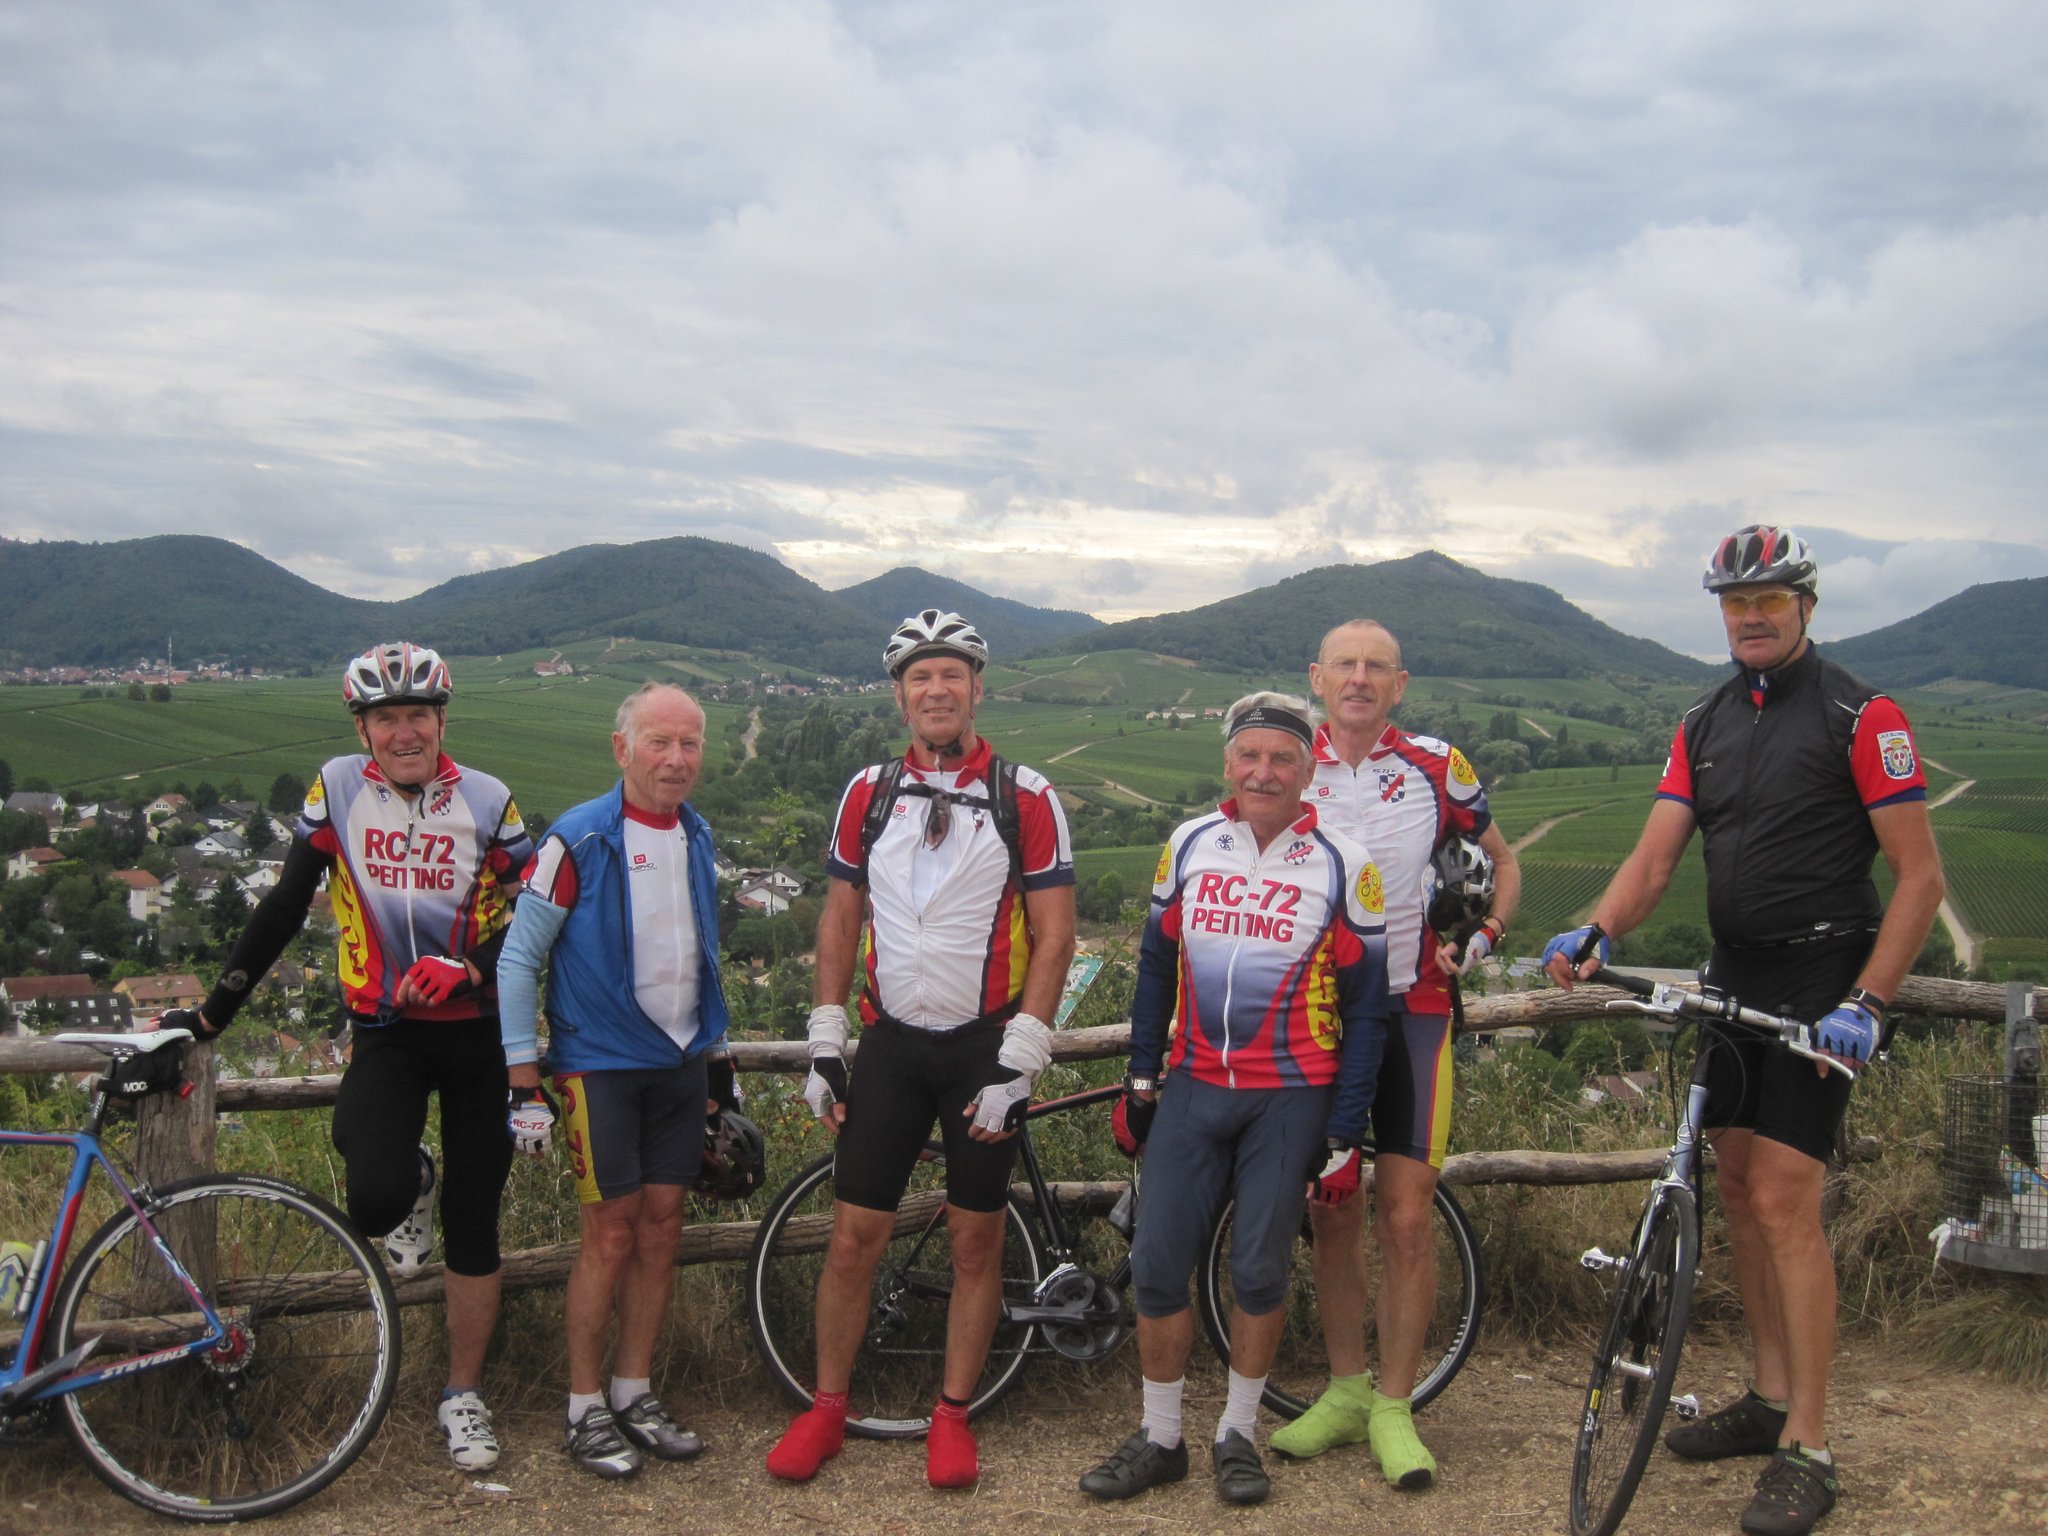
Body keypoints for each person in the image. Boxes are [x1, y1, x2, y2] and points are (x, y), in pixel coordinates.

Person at [1543, 526, 1943, 1536]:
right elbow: (1654, 862)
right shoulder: (1704, 721)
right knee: (1732, 1186)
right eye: (1734, 602)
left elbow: (1920, 880)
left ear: (1804, 605)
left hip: (1823, 981)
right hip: (1733, 973)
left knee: (1781, 1198)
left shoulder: (1862, 716)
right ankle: (1767, 1398)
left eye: (1768, 599)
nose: (1751, 616)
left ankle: (1809, 1445)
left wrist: (1867, 1002)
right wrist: (1596, 927)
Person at [160, 642, 532, 1472]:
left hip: (478, 1034)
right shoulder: (335, 789)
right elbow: (287, 902)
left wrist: (470, 966)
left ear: (442, 720)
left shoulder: (488, 799)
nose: (405, 732)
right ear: (363, 729)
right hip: (387, 1030)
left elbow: (538, 914)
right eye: (386, 718)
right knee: (374, 1195)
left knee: (475, 1224)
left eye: (419, 714)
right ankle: (414, 1180)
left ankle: (463, 1395)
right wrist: (213, 1013)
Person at [765, 609, 1076, 1491]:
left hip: (984, 1048)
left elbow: (1056, 936)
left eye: (952, 675)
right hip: (892, 1046)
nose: (936, 690)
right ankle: (827, 1408)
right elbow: (839, 917)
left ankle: (952, 1416)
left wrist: (1021, 1058)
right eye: (919, 678)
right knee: (853, 1238)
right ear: (900, 697)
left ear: (978, 689)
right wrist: (826, 1039)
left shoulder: (1026, 796)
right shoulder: (868, 793)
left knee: (976, 1243)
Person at [1079, 692, 1390, 1509]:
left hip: (1290, 1094)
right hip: (1193, 1085)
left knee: (1257, 1268)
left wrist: (1347, 1130)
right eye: (1249, 755)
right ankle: (1161, 1439)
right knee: (1156, 1266)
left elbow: (1368, 1011)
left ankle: (1237, 1434)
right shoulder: (1188, 844)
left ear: (1308, 771)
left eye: (1282, 758)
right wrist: (1140, 1079)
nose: (1263, 772)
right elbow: (1155, 968)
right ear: (1227, 763)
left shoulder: (1345, 863)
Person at [1269, 620, 1521, 1487]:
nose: (1360, 678)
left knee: (1407, 1218)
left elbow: (1503, 862)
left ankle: (1394, 1406)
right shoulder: (1287, 759)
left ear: (1399, 684)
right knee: (1331, 1208)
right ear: (1317, 676)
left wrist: (1484, 935)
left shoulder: (1436, 765)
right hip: (1318, 1018)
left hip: (1414, 1010)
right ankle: (1345, 1390)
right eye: (1345, 664)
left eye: (1376, 667)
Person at [496, 682, 735, 1479]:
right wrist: (522, 1082)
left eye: (689, 743)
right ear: (621, 748)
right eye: (659, 742)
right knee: (610, 1232)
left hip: (679, 1061)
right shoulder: (578, 838)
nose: (675, 759)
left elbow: (699, 950)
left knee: (664, 1225)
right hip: (598, 1062)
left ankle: (634, 1392)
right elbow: (518, 960)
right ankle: (583, 1406)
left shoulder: (696, 832)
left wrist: (719, 1058)